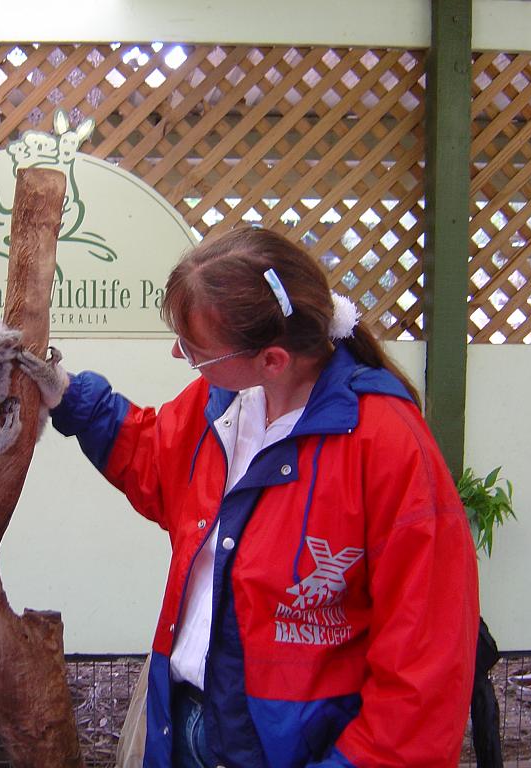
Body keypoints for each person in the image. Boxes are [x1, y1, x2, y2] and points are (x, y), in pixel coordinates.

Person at [50, 226, 480, 768]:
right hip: (183, 720)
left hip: (297, 748)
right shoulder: (228, 403)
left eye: (195, 350)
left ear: (272, 359)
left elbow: (426, 665)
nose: (179, 354)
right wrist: (65, 394)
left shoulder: (387, 446)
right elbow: (155, 459)